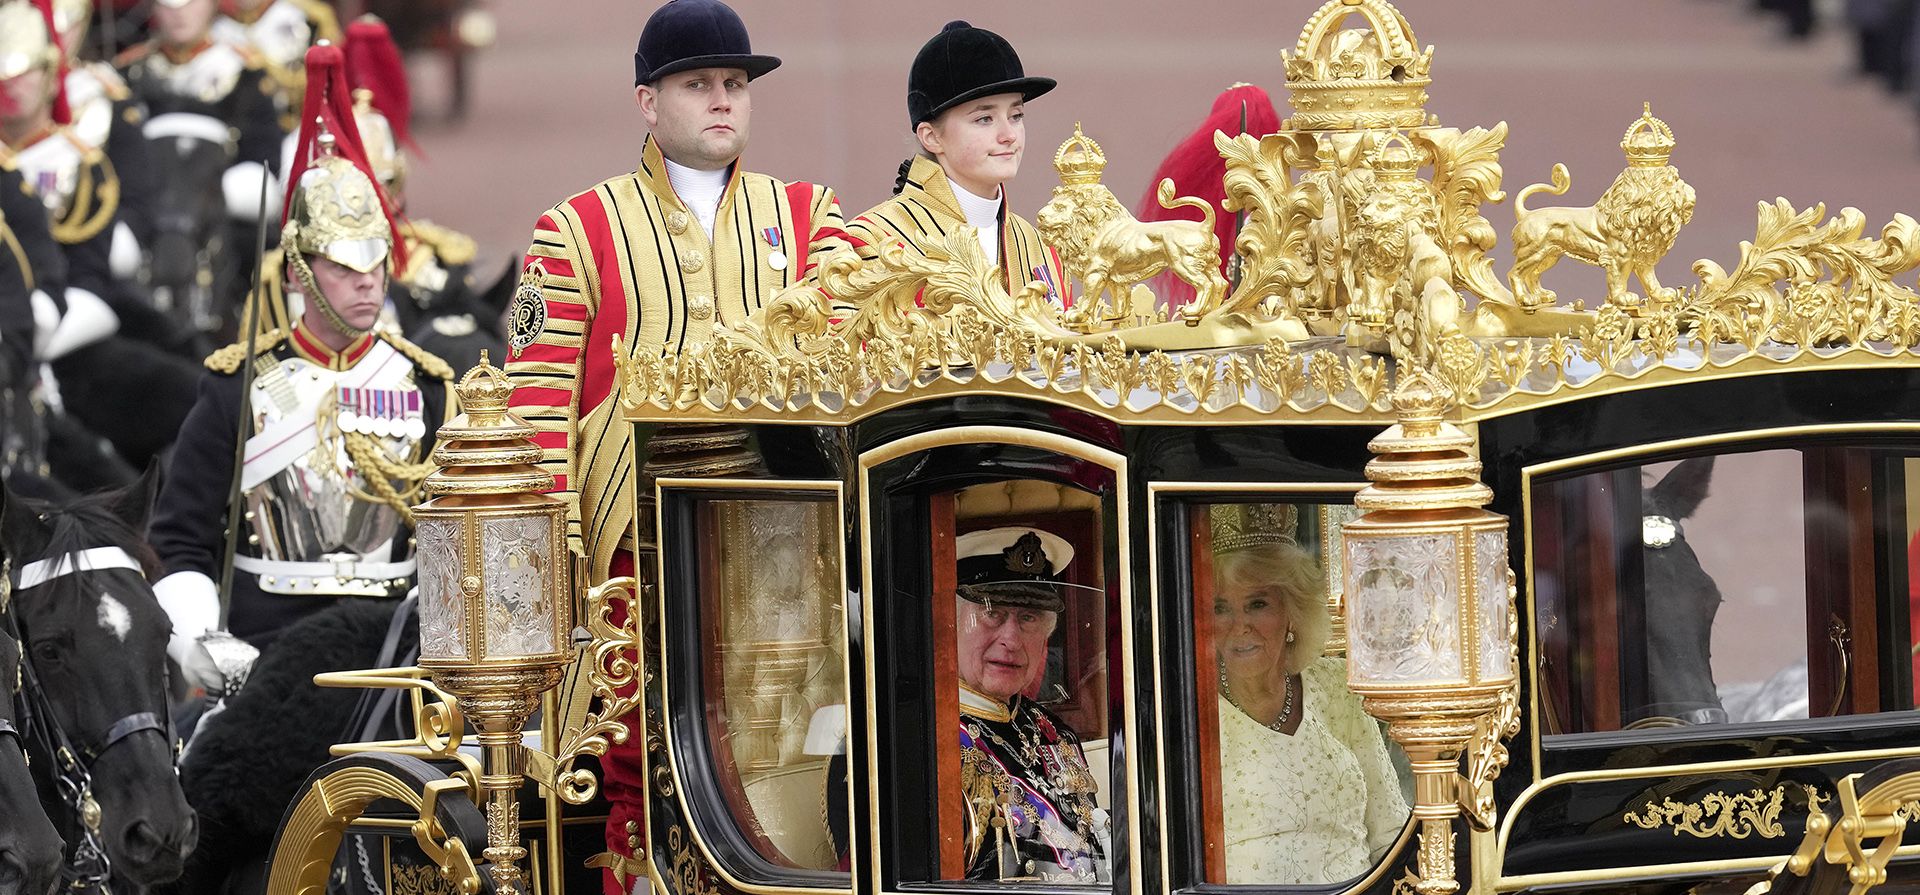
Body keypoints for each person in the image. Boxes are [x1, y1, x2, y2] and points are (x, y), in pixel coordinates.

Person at [499, 2, 848, 890]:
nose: (723, 101)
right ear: (648, 103)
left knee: (803, 752)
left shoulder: (812, 217)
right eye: (699, 85)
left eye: (735, 85)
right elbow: (536, 420)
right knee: (643, 772)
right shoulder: (575, 228)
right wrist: (540, 596)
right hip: (635, 559)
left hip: (786, 542)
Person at [149, 42, 453, 699]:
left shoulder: (427, 385)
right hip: (267, 649)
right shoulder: (239, 385)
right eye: (344, 268)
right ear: (296, 273)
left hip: (396, 649)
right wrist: (207, 643)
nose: (366, 285)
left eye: (374, 265)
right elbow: (182, 536)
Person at [1208, 503, 1407, 885]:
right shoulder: (1191, 705)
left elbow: (1388, 829)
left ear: (1292, 611)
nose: (1239, 626)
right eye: (1221, 608)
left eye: (1257, 603)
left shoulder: (1336, 687)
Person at [843, 21, 1068, 306]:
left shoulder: (1041, 248)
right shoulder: (874, 240)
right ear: (931, 137)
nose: (1009, 135)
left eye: (1016, 115)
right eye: (984, 119)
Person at [952, 526, 1108, 883]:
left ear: (1046, 634)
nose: (1010, 638)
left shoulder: (1056, 735)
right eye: (992, 612)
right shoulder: (918, 746)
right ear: (949, 622)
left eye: (1028, 618)